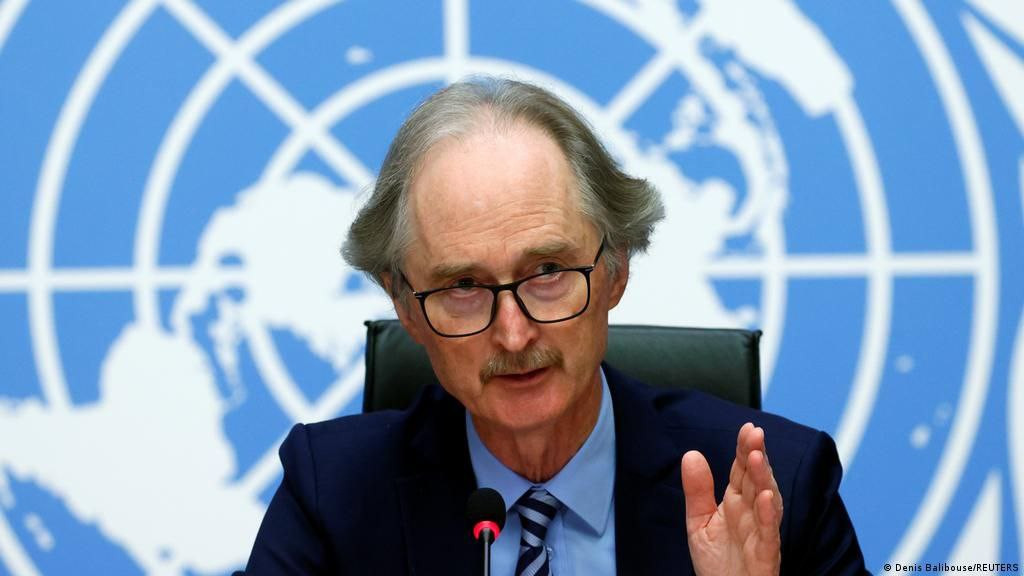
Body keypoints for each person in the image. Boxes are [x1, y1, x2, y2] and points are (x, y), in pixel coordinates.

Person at [240, 77, 868, 575]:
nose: (514, 336)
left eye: (547, 271)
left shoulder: (778, 493)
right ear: (405, 306)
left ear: (616, 269)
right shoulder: (333, 497)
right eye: (463, 286)